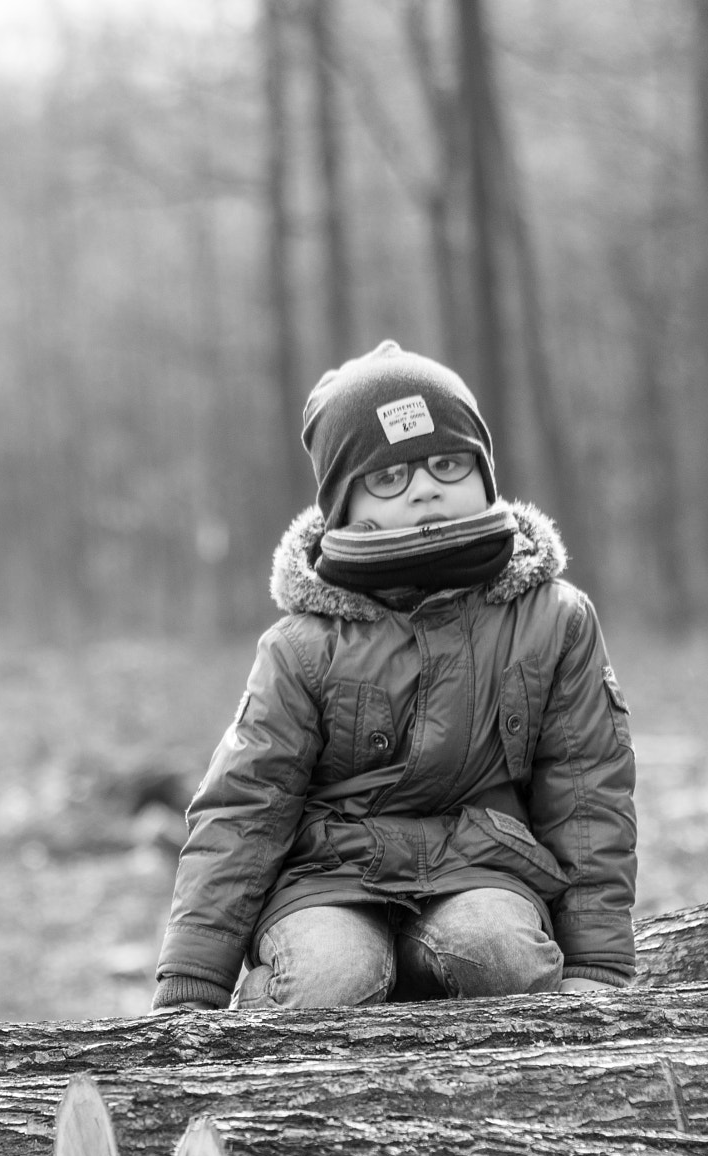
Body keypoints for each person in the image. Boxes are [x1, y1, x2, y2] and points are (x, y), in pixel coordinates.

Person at [152, 341, 636, 1011]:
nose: (426, 486)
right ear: (344, 507)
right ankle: (268, 1021)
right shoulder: (303, 645)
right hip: (328, 879)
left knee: (503, 952)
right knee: (330, 976)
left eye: (447, 463)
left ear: (486, 475)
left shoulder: (552, 618)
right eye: (390, 477)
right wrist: (192, 982)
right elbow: (244, 808)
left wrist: (598, 962)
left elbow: (587, 792)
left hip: (484, 870)